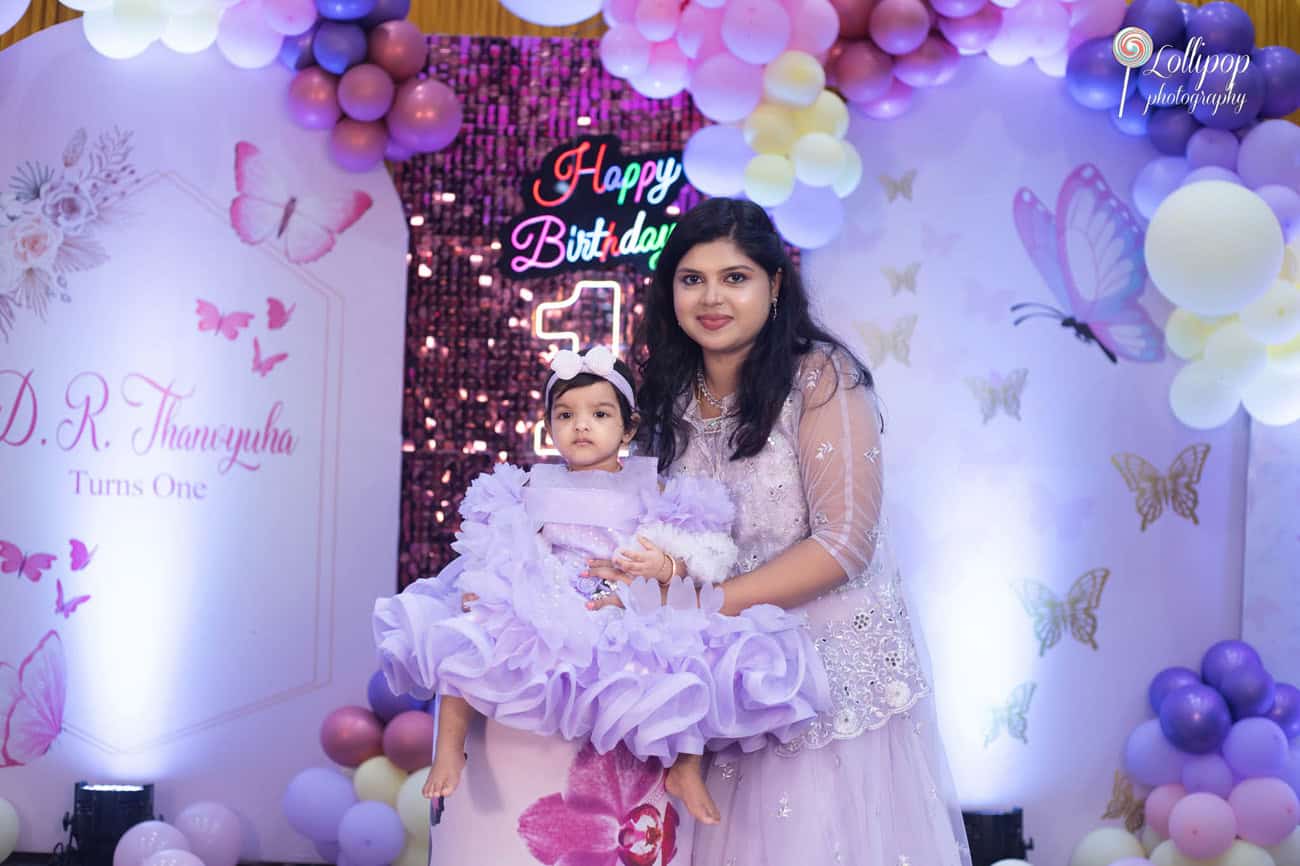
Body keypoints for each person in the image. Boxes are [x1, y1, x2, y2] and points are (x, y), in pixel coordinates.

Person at [588, 197, 972, 865]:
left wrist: (704, 612)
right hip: (719, 692)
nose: (713, 297)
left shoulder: (821, 378)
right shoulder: (666, 398)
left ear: (775, 285)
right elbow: (655, 533)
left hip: (824, 685)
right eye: (692, 278)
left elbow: (844, 543)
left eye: (735, 277)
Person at [372, 346, 829, 831]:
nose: (581, 425)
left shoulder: (651, 490)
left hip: (624, 603)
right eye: (565, 415)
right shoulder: (531, 488)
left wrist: (662, 564)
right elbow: (502, 546)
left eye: (599, 414)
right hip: (550, 598)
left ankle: (686, 765)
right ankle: (449, 750)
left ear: (628, 428)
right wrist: (487, 585)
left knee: (694, 648)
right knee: (466, 635)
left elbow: (702, 561)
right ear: (549, 427)